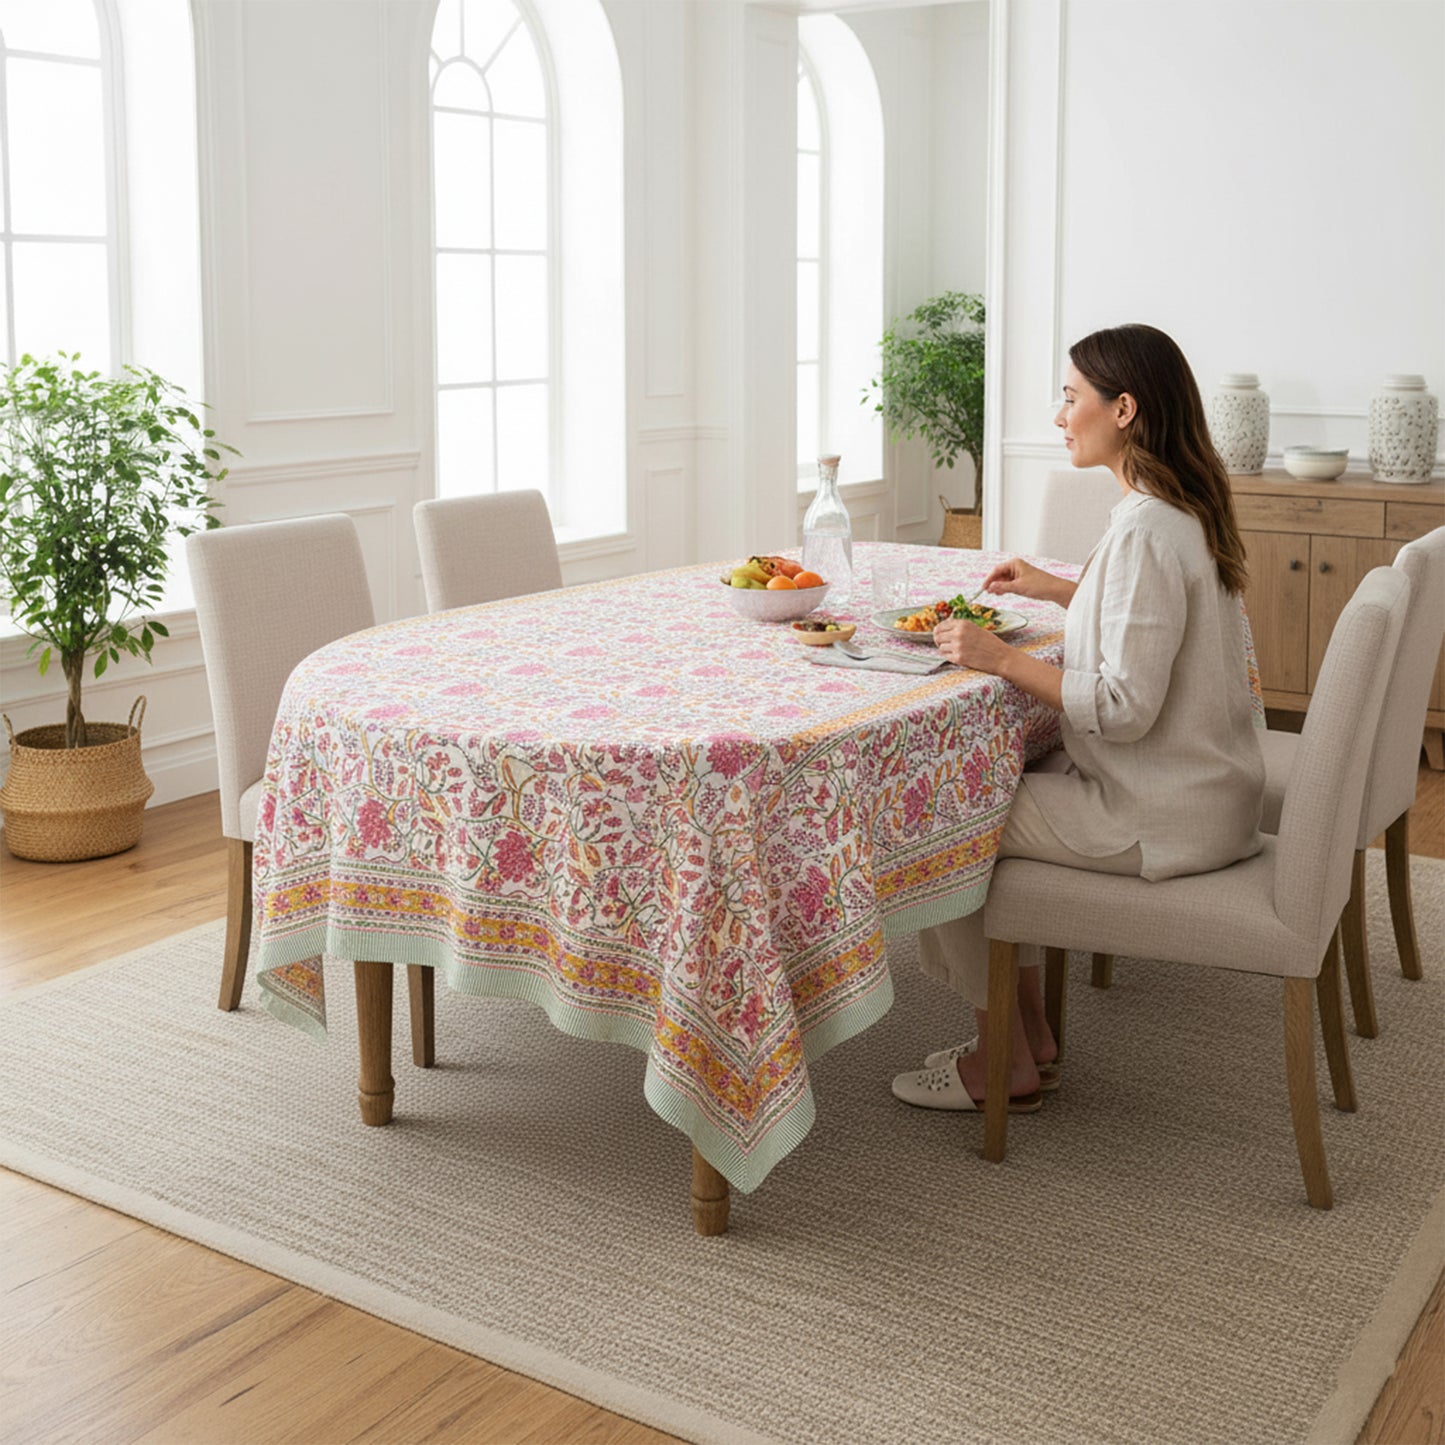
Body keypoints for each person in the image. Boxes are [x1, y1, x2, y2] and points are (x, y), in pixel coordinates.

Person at [891, 323, 1265, 1114]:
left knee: (941, 813)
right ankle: (1029, 1033)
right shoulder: (1177, 508)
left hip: (1156, 813)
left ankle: (1002, 1058)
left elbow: (1124, 707)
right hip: (1203, 791)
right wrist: (1059, 589)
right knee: (1004, 771)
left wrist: (998, 658)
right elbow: (1153, 624)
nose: (1059, 416)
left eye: (1070, 398)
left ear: (1123, 409)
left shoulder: (1145, 532)